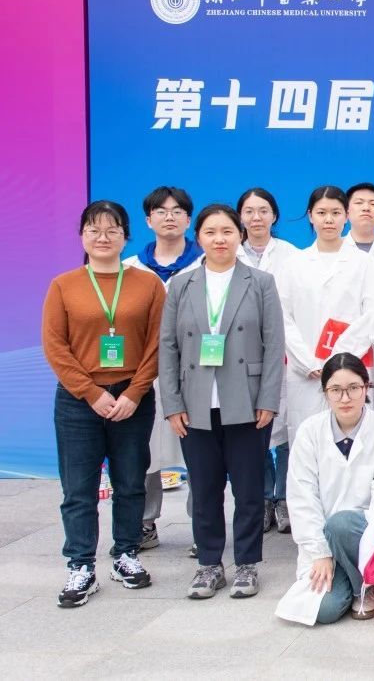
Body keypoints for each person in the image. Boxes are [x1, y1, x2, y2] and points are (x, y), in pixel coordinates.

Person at [42, 200, 166, 607]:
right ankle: (81, 564)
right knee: (78, 488)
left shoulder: (147, 284)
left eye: (112, 230)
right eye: (94, 229)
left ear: (125, 237)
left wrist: (134, 392)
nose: (103, 237)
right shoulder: (64, 285)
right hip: (79, 401)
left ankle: (126, 553)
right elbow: (55, 346)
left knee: (130, 481)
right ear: (82, 236)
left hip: (132, 397)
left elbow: (157, 344)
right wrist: (90, 393)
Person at [158, 204, 285, 600]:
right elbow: (168, 347)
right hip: (195, 402)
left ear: (239, 236)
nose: (219, 239)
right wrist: (172, 404)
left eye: (227, 231)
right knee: (205, 488)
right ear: (198, 238)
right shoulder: (181, 285)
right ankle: (209, 563)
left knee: (248, 489)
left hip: (246, 400)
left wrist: (268, 399)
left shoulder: (260, 282)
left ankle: (247, 563)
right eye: (210, 232)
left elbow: (274, 344)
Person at [276, 186, 374, 505]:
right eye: (321, 213)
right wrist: (309, 362)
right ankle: (308, 514)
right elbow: (283, 317)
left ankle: (353, 512)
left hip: (349, 369)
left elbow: (372, 313)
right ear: (310, 216)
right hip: (305, 372)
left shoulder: (363, 263)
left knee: (354, 442)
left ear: (346, 216)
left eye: (336, 213)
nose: (329, 220)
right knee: (307, 443)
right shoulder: (293, 263)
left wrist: (337, 363)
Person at [282, 353, 374, 624]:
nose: (345, 398)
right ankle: (349, 576)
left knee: (342, 524)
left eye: (353, 388)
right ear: (325, 392)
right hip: (324, 540)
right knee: (325, 610)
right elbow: (302, 496)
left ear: (366, 387)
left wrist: (356, 540)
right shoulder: (309, 432)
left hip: (364, 533)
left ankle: (365, 586)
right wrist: (320, 553)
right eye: (336, 390)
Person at [123, 186, 202, 552]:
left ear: (189, 219)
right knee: (143, 450)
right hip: (144, 372)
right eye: (161, 211)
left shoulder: (207, 263)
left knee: (200, 452)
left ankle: (202, 524)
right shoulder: (129, 268)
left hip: (197, 372)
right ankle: (144, 522)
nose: (169, 217)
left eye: (177, 211)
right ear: (148, 219)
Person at [236, 187, 300, 535]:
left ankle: (284, 497)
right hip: (241, 354)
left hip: (284, 351)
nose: (256, 217)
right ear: (240, 216)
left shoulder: (291, 255)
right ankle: (262, 496)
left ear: (274, 215)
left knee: (287, 426)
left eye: (263, 210)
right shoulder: (228, 253)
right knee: (252, 426)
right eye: (249, 211)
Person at [343, 182, 374, 254]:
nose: (366, 208)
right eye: (359, 202)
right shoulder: (333, 248)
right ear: (347, 212)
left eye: (373, 204)